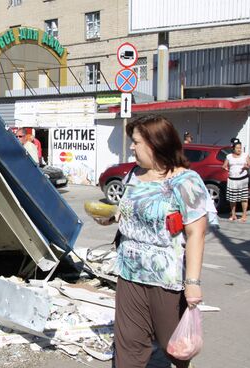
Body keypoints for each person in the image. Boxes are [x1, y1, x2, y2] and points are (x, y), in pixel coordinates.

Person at [94, 115, 217, 368]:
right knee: (128, 350)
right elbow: (127, 213)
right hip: (129, 276)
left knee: (176, 348)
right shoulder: (133, 175)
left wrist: (193, 283)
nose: (131, 147)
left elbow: (196, 233)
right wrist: (110, 219)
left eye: (136, 142)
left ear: (155, 144)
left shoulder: (185, 182)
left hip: (167, 282)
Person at [222, 138, 250, 222]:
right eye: (237, 148)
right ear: (233, 148)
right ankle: (233, 215)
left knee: (244, 198)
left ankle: (244, 216)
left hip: (242, 180)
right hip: (232, 180)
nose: (239, 149)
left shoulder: (245, 155)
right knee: (232, 199)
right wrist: (225, 168)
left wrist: (246, 167)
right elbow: (224, 166)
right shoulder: (228, 156)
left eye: (240, 147)